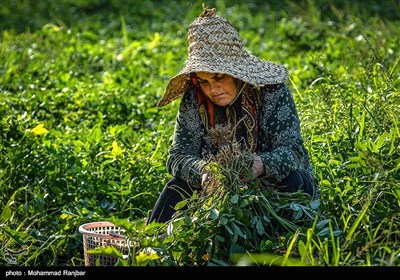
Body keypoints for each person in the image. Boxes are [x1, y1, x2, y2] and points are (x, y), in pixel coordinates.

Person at [148, 5, 318, 224]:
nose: (212, 89)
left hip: (270, 187)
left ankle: (289, 245)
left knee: (294, 181)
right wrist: (205, 171)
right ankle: (148, 248)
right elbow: (178, 156)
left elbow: (293, 150)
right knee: (177, 186)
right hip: (216, 195)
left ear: (237, 73)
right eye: (203, 81)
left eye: (219, 77)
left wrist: (262, 164)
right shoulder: (194, 98)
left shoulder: (271, 91)